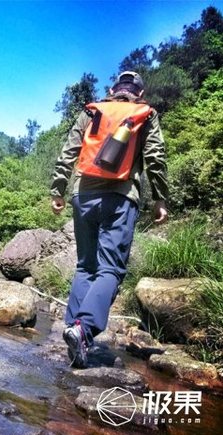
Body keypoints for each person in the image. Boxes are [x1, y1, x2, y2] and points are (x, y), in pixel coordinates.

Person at [50, 71, 168, 368]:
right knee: (111, 269)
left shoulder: (92, 111)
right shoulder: (145, 114)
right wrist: (160, 198)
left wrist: (58, 189)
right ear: (139, 93)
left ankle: (72, 330)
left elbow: (69, 152)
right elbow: (155, 156)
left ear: (113, 89)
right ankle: (84, 330)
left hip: (83, 196)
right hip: (120, 196)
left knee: (85, 266)